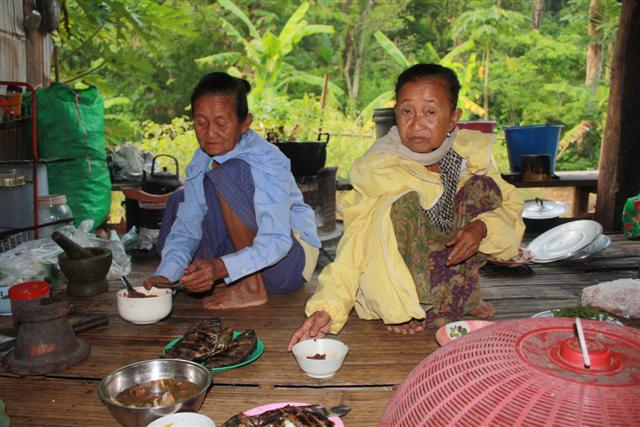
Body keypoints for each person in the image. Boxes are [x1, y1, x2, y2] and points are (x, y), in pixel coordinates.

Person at [288, 63, 525, 350]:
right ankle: (405, 306)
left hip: (448, 258)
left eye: (430, 112)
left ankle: (461, 295)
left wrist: (482, 227)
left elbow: (511, 210)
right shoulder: (380, 168)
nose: (416, 124)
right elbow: (352, 248)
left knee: (484, 190)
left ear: (453, 119)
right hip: (396, 278)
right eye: (406, 111)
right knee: (402, 203)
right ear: (395, 113)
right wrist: (328, 309)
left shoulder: (467, 155)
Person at [145, 72, 320, 310]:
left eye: (221, 123)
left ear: (245, 123)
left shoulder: (268, 159)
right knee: (180, 201)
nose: (210, 133)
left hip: (285, 265)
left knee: (229, 172)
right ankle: (226, 279)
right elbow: (187, 227)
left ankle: (250, 286)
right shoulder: (200, 159)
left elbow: (276, 241)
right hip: (239, 254)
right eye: (201, 122)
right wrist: (166, 275)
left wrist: (218, 268)